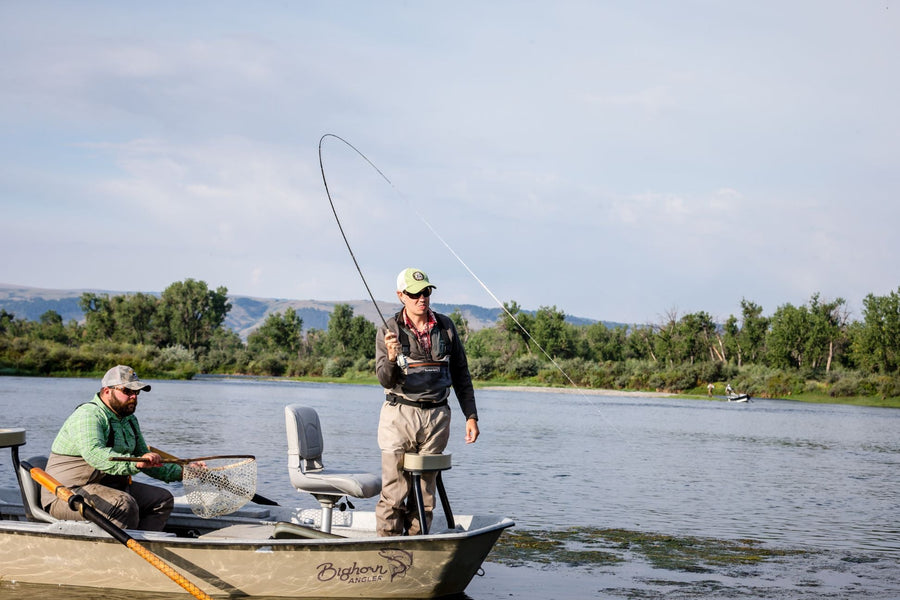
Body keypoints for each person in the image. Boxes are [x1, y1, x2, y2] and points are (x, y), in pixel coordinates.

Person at [374, 268, 479, 536]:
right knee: (394, 494)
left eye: (426, 291)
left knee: (425, 495)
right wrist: (391, 357)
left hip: (437, 418)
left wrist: (471, 416)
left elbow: (461, 374)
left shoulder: (446, 327)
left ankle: (417, 546)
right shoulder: (388, 329)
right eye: (414, 293)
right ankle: (388, 548)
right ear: (401, 295)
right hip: (399, 416)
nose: (422, 298)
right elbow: (385, 380)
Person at [41, 365, 184, 530]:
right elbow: (95, 454)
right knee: (123, 504)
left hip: (106, 488)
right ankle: (117, 545)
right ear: (107, 391)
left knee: (162, 499)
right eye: (127, 391)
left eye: (136, 392)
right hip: (66, 495)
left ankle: (144, 543)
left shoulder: (129, 420)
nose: (133, 397)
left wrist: (184, 473)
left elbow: (143, 456)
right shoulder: (88, 415)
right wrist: (136, 463)